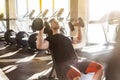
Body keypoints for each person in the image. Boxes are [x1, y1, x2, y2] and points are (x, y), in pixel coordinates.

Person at [36, 18, 103, 80]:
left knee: (99, 68)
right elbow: (40, 45)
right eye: (53, 22)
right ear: (50, 27)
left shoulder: (66, 37)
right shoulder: (51, 39)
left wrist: (79, 27)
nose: (56, 22)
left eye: (57, 21)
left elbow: (78, 40)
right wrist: (41, 30)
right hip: (63, 65)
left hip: (76, 62)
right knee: (76, 74)